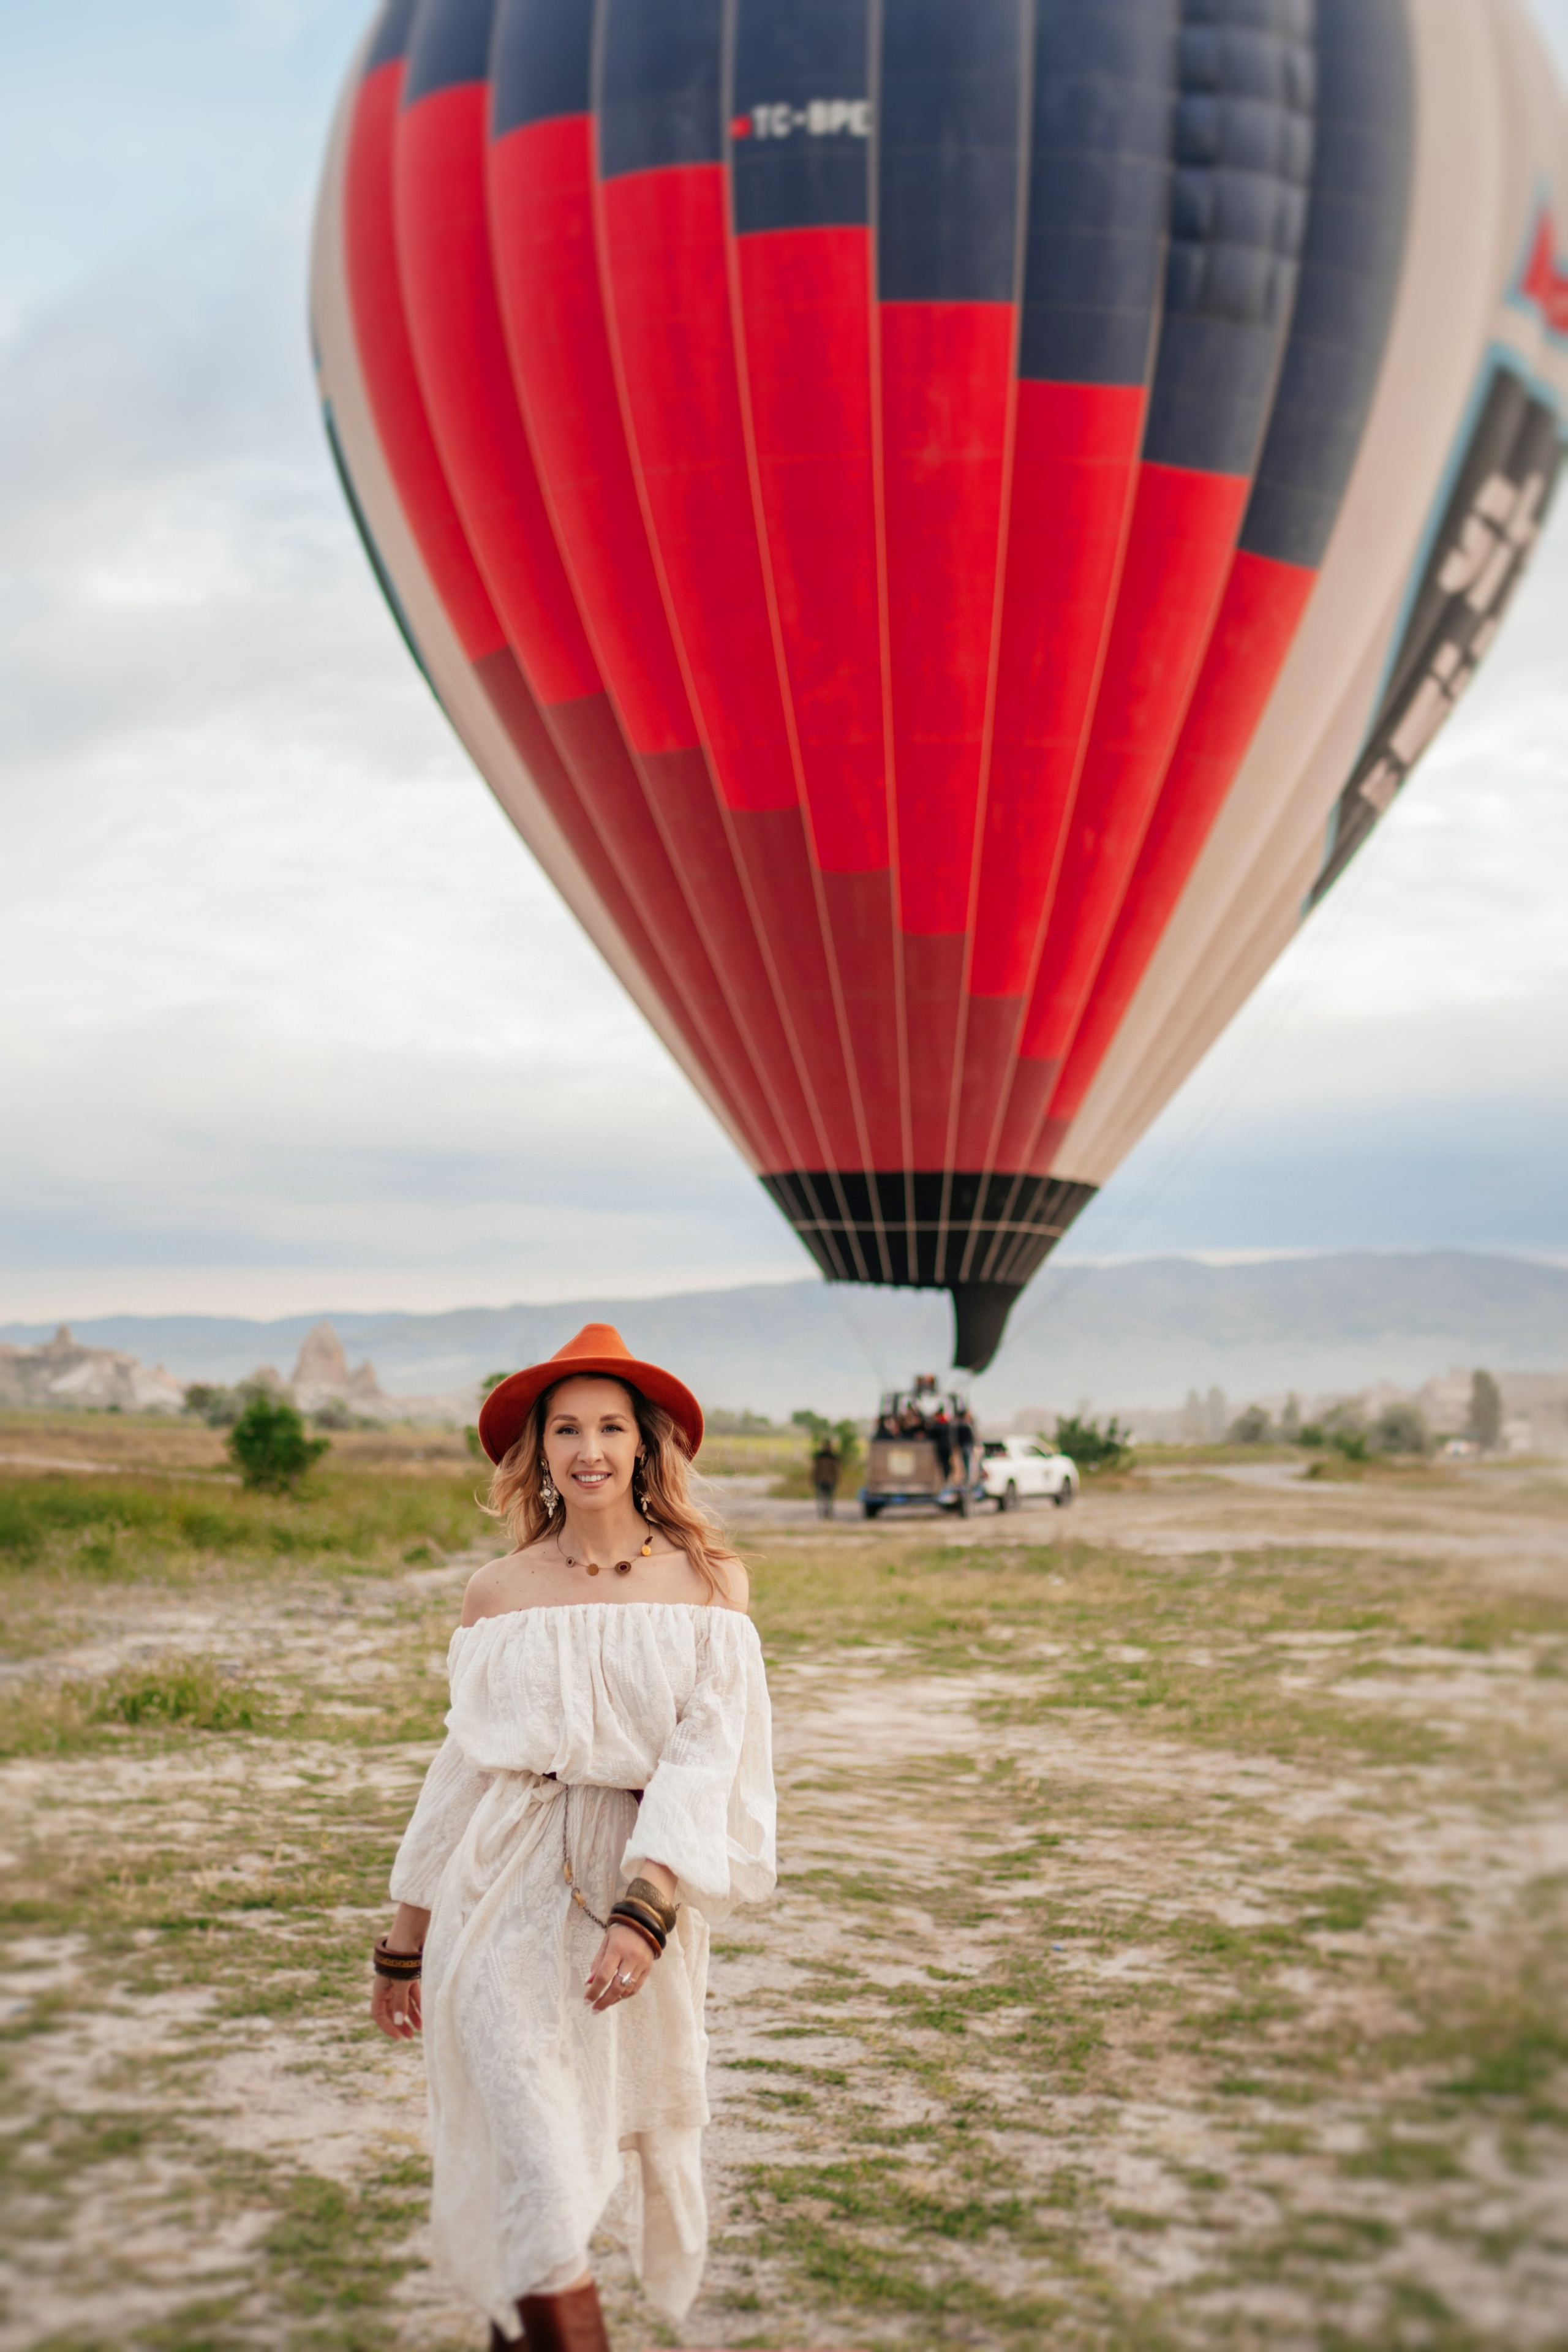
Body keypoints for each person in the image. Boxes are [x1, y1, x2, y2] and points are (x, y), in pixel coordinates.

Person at [369, 1324, 775, 2350]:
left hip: (630, 1889)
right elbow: (461, 1770)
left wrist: (646, 1913)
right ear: (537, 1453)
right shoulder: (497, 1596)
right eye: (565, 1429)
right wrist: (403, 1939)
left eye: (609, 1426)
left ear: (645, 1445)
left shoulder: (708, 1583)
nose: (588, 1447)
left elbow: (702, 1765)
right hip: (497, 1897)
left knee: (550, 2178)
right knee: (544, 2173)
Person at [810, 1432, 841, 1518]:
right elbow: (837, 1470)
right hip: (828, 1480)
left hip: (823, 1480)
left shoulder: (819, 1457)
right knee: (828, 1498)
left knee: (824, 1498)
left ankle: (825, 1513)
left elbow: (815, 1469)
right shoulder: (833, 1457)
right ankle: (827, 1513)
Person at [951, 1405, 976, 1490]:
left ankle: (966, 1478)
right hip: (965, 1446)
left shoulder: (960, 1425)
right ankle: (966, 1478)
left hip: (964, 1447)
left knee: (965, 1463)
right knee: (965, 1463)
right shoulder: (964, 1426)